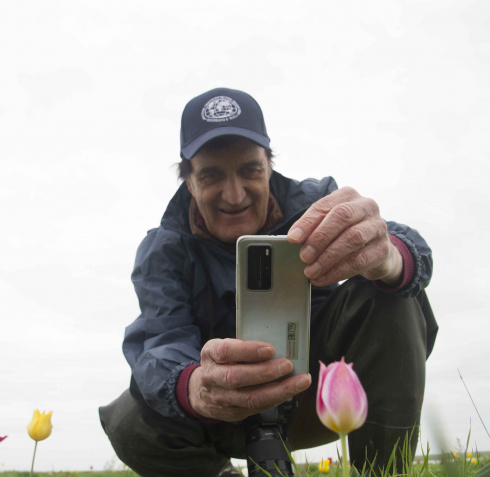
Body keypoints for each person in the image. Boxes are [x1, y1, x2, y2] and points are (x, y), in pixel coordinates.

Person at [100, 87, 437, 477]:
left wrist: (389, 255)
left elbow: (410, 250)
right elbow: (161, 339)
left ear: (269, 165)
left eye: (249, 169)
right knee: (130, 416)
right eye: (211, 174)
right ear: (188, 182)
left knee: (389, 289)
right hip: (221, 413)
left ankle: (382, 474)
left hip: (317, 395)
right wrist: (195, 386)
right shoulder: (163, 250)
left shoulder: (317, 204)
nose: (234, 194)